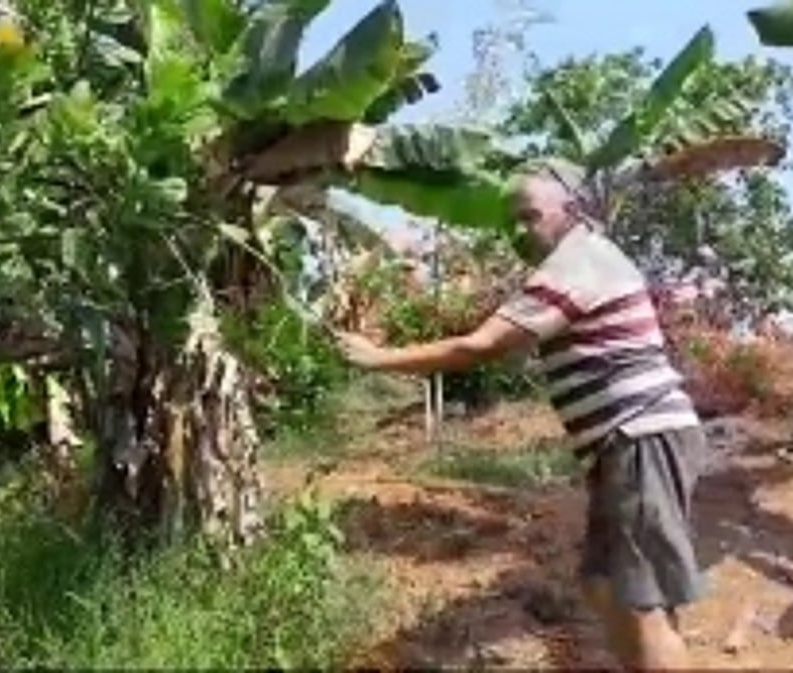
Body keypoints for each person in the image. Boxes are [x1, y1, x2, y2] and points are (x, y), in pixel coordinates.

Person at [244, 133, 707, 670]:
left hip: (641, 436)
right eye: (511, 217)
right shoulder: (577, 261)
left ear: (574, 210)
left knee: (640, 601)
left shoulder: (577, 262)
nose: (517, 229)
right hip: (624, 443)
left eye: (529, 215)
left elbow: (480, 346)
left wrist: (377, 358)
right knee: (606, 588)